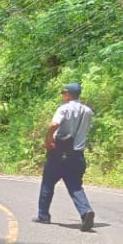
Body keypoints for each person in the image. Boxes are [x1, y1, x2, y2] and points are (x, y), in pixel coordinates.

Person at [34, 82, 95, 231]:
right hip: (77, 154)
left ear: (68, 94)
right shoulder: (87, 111)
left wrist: (48, 139)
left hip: (58, 153)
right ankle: (85, 212)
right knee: (75, 186)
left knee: (48, 183)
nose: (62, 95)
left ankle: (43, 216)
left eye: (63, 93)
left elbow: (54, 124)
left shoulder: (63, 108)